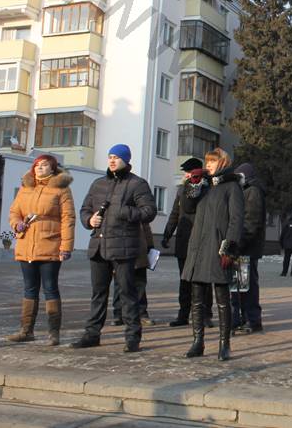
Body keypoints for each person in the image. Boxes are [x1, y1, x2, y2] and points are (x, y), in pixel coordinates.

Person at [72, 144, 157, 353]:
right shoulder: (98, 183)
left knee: (127, 293)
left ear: (126, 160)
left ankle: (132, 338)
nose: (112, 160)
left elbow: (149, 211)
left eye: (116, 157)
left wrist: (125, 211)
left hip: (124, 248)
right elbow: (84, 209)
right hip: (99, 247)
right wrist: (89, 220)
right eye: (110, 156)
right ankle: (92, 335)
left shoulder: (137, 184)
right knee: (98, 294)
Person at [181, 148, 244, 360]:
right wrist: (192, 185)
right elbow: (187, 207)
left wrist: (229, 248)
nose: (207, 165)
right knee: (197, 299)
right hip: (198, 247)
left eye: (212, 161)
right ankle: (197, 342)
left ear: (222, 163)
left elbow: (236, 219)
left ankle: (224, 344)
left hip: (218, 248)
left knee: (222, 299)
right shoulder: (204, 185)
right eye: (207, 161)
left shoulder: (232, 186)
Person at [6, 155, 75, 345]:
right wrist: (17, 224)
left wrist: (66, 247)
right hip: (27, 245)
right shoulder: (25, 188)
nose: (40, 168)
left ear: (53, 169)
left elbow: (68, 219)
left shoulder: (62, 189)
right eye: (37, 165)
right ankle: (26, 330)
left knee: (50, 288)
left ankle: (54, 333)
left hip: (50, 245)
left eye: (44, 165)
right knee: (29, 288)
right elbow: (14, 212)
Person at [162, 158, 213, 327]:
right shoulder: (182, 190)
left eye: (188, 172)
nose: (186, 175)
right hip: (184, 241)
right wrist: (167, 234)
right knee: (184, 281)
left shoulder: (209, 188)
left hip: (202, 241)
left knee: (203, 280)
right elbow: (175, 213)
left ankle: (205, 315)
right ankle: (183, 314)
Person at [232, 162, 266, 334]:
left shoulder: (252, 191)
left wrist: (239, 244)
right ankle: (242, 318)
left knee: (247, 286)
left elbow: (251, 221)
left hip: (246, 248)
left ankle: (252, 320)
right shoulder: (246, 190)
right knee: (240, 285)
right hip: (243, 247)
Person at [112, 222, 156, 326]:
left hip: (139, 248)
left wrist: (150, 245)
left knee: (140, 284)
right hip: (119, 249)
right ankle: (118, 314)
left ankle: (141, 314)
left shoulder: (140, 212)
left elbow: (146, 225)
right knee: (119, 284)